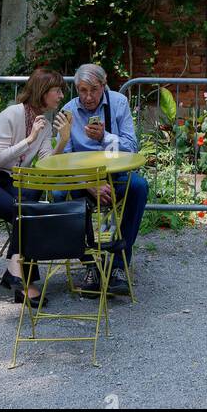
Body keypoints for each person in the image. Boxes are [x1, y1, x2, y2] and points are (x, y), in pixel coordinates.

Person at [0, 68, 70, 304]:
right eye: (57, 90)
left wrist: (62, 140)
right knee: (22, 208)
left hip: (7, 183)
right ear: (42, 92)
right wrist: (29, 139)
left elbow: (45, 163)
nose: (61, 95)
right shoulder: (11, 115)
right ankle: (19, 279)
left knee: (30, 204)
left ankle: (16, 275)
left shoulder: (44, 123)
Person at [57, 62, 149, 296]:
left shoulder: (119, 103)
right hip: (82, 178)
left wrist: (105, 137)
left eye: (93, 90)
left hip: (115, 173)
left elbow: (132, 147)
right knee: (59, 194)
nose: (88, 97)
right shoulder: (69, 111)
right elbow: (64, 158)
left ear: (104, 84)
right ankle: (90, 265)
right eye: (82, 90)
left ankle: (119, 263)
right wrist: (89, 184)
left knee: (138, 187)